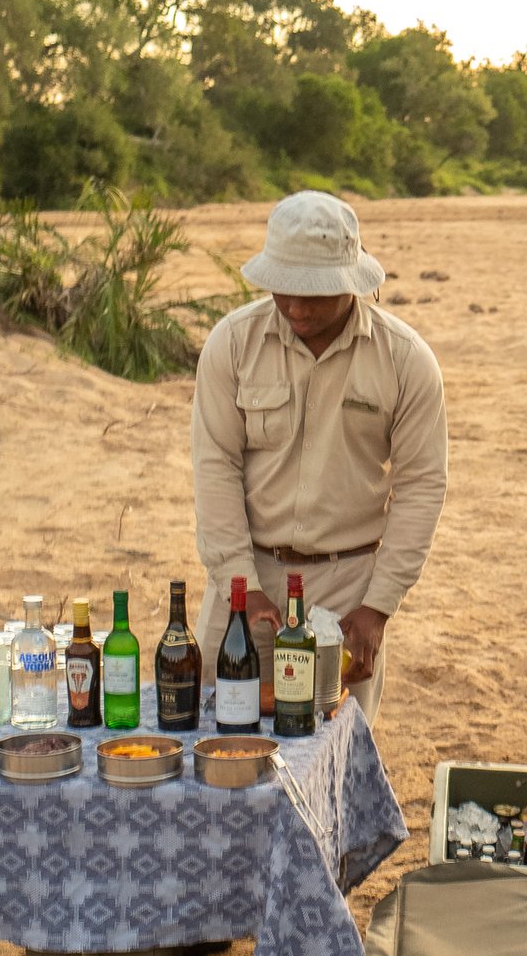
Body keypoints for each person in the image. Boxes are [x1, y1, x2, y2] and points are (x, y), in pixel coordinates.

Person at [190, 191, 448, 723]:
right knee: (220, 743)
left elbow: (422, 486)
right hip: (242, 582)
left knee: (336, 758)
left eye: (316, 293)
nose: (298, 308)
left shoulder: (406, 361)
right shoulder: (232, 344)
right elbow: (216, 468)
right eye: (284, 290)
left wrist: (378, 607)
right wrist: (244, 587)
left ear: (353, 281)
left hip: (347, 587)